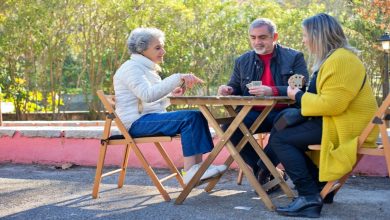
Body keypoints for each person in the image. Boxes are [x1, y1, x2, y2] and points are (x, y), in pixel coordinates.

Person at [261, 13, 379, 218]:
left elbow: (332, 104)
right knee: (283, 130)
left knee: (281, 139)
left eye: (305, 35)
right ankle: (320, 185)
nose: (304, 40)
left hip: (346, 124)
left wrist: (296, 95)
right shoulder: (335, 59)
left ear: (319, 36)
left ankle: (308, 196)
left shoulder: (342, 60)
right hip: (337, 121)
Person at [113, 27, 226, 184]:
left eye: (162, 47)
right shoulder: (131, 68)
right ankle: (190, 171)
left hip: (147, 118)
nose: (163, 51)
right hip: (135, 123)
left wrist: (171, 94)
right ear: (142, 49)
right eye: (157, 48)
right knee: (190, 117)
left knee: (197, 115)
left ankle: (197, 168)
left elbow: (150, 99)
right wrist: (177, 77)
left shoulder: (147, 68)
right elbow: (147, 95)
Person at [217, 18, 309, 187]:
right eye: (253, 37)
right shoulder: (242, 61)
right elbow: (235, 86)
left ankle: (263, 170)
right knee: (230, 129)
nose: (257, 42)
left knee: (285, 124)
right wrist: (228, 89)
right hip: (252, 112)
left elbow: (299, 86)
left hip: (284, 112)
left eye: (262, 37)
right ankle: (266, 170)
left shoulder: (294, 57)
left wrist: (272, 90)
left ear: (275, 37)